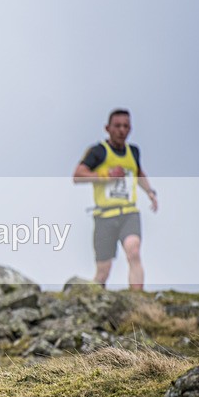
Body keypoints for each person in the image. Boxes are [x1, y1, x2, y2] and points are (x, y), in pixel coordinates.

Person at [73, 109, 159, 289]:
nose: (122, 130)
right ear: (107, 128)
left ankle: (138, 303)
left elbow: (138, 172)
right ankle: (94, 302)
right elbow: (78, 175)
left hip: (129, 213)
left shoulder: (133, 151)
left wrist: (150, 192)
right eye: (117, 126)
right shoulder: (98, 152)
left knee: (133, 251)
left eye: (126, 126)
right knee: (103, 271)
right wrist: (106, 175)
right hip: (104, 216)